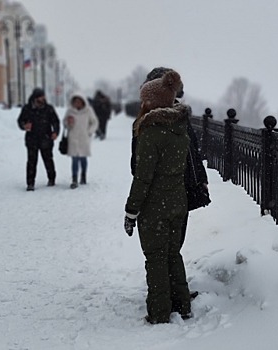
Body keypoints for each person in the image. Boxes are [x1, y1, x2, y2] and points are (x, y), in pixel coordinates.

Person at [124, 70, 192, 324]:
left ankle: (159, 312)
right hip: (177, 202)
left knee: (155, 258)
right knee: (173, 254)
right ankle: (183, 305)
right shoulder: (179, 129)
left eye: (145, 99)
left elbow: (143, 178)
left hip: (156, 206)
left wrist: (131, 211)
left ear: (152, 102)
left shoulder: (151, 133)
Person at [131, 67, 209, 249]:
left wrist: (200, 178)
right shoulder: (145, 123)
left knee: (174, 243)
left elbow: (193, 151)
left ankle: (169, 276)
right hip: (159, 191)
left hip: (183, 187)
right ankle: (166, 276)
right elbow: (138, 163)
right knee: (161, 246)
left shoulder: (180, 116)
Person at [17, 88, 60, 191]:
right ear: (36, 98)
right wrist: (24, 125)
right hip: (32, 139)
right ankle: (30, 183)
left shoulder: (48, 108)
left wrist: (55, 132)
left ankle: (51, 178)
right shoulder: (27, 109)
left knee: (48, 160)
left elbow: (55, 121)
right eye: (41, 96)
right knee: (32, 161)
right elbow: (20, 121)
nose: (43, 98)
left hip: (46, 137)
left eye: (43, 96)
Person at [63, 92, 99, 189]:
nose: (77, 103)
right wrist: (68, 123)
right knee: (74, 159)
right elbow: (65, 123)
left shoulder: (88, 111)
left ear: (83, 102)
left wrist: (89, 132)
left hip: (84, 138)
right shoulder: (70, 111)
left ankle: (83, 175)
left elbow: (94, 122)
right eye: (75, 102)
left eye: (79, 101)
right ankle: (74, 179)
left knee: (83, 158)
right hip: (73, 137)